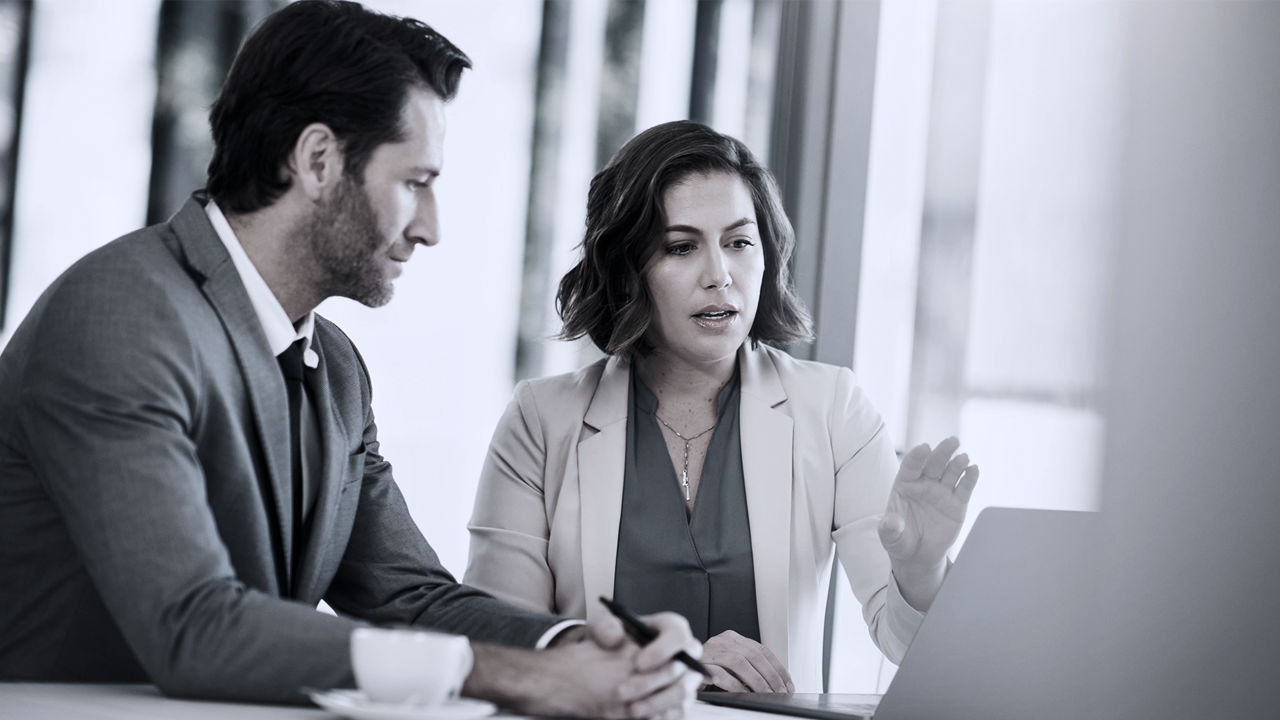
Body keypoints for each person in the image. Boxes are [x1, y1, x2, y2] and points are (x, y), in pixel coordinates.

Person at [0, 2, 700, 716]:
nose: (431, 228)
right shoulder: (120, 315)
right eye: (415, 183)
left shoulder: (334, 368)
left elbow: (411, 598)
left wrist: (581, 648)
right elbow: (194, 626)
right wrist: (514, 677)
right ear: (318, 161)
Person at [464, 120, 980, 694]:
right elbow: (496, 644)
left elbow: (907, 644)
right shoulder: (540, 420)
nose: (719, 276)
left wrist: (920, 569)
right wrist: (670, 667)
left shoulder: (834, 408)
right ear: (627, 269)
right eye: (681, 247)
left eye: (739, 243)